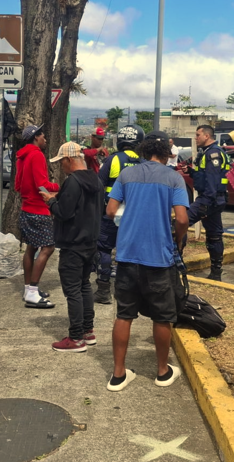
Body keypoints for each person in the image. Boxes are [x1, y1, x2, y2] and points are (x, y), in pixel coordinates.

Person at [105, 137, 189, 391]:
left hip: (127, 254)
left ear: (144, 150)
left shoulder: (127, 175)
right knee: (162, 317)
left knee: (124, 314)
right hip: (159, 257)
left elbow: (110, 210)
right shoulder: (174, 178)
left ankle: (118, 374)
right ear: (166, 152)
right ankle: (162, 371)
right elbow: (182, 218)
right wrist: (178, 238)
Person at [40, 142, 104, 352]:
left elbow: (64, 212)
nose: (61, 167)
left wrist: (50, 201)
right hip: (90, 243)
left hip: (73, 244)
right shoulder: (95, 178)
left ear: (69, 160)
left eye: (61, 162)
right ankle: (88, 331)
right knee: (85, 285)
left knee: (73, 291)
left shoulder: (73, 181)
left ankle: (76, 337)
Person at [94, 124, 145, 304]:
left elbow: (98, 185)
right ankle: (131, 289)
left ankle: (103, 290)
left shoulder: (113, 160)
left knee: (104, 249)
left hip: (112, 212)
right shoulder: (143, 161)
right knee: (133, 251)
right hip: (135, 214)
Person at [15, 124, 59, 308]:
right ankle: (33, 292)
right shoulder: (37, 155)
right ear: (36, 137)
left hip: (25, 208)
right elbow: (41, 184)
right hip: (38, 209)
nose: (45, 139)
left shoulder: (21, 156)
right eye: (43, 136)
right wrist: (57, 187)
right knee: (48, 248)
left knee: (31, 248)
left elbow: (18, 185)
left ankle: (28, 289)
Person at [185, 125, 230, 281]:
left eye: (198, 135)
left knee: (180, 223)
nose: (196, 138)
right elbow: (205, 175)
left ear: (206, 136)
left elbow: (212, 179)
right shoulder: (206, 152)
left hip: (210, 199)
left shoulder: (213, 154)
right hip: (215, 199)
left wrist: (205, 204)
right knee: (214, 235)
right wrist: (191, 172)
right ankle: (216, 273)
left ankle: (173, 264)